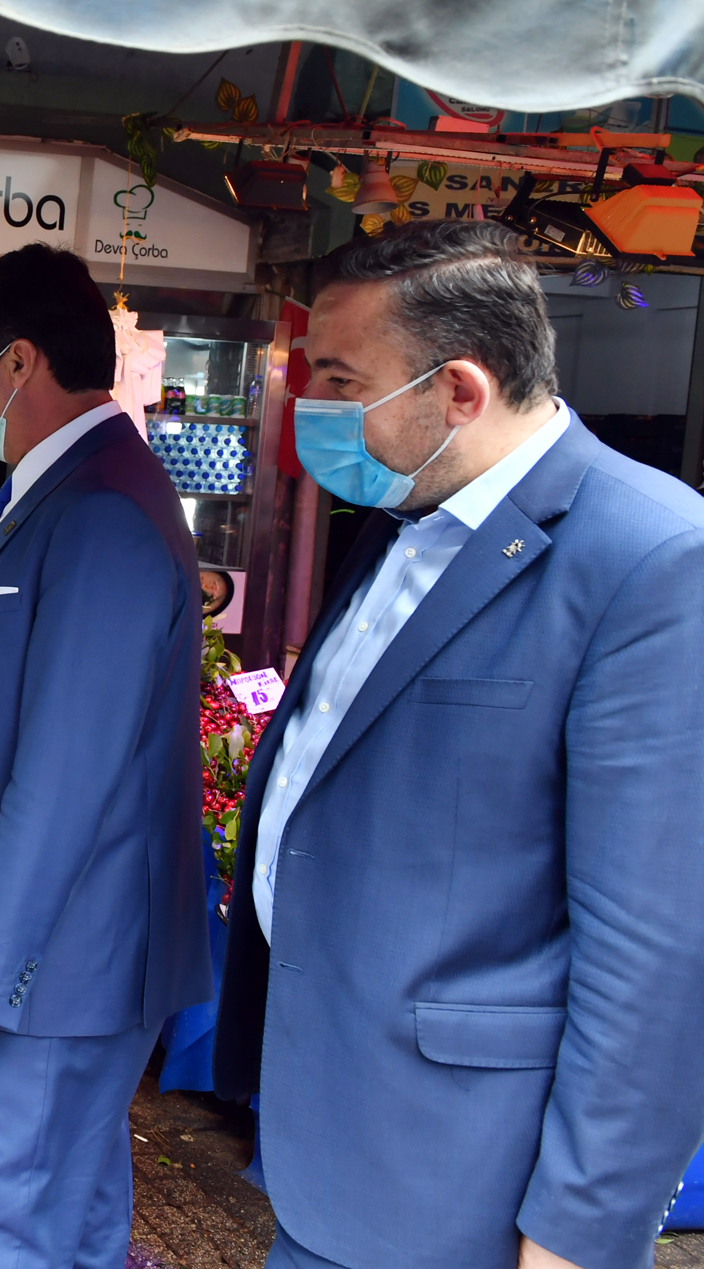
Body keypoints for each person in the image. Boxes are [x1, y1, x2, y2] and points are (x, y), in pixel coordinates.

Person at [212, 220, 704, 1269]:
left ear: (459, 391)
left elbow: (655, 951)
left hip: (462, 1181)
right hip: (328, 1128)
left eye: (340, 380)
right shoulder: (402, 516)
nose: (315, 410)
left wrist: (576, 1229)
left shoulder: (649, 559)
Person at [0, 242, 210, 1264]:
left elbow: (71, 768)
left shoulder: (103, 510)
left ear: (16, 363)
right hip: (60, 957)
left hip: (58, 958)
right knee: (72, 1199)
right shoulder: (45, 493)